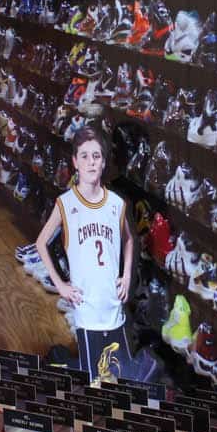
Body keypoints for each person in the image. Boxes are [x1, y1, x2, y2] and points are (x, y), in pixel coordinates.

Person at [33, 127, 134, 383]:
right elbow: (41, 242)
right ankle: (61, 365)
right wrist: (60, 285)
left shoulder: (116, 204)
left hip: (113, 303)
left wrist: (127, 274)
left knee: (119, 379)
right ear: (75, 162)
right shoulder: (66, 203)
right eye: (85, 156)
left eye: (97, 156)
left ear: (104, 162)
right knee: (94, 382)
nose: (91, 162)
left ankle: (63, 363)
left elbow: (129, 240)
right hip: (87, 308)